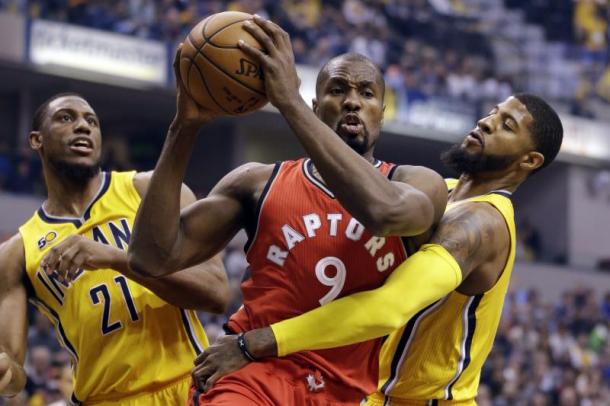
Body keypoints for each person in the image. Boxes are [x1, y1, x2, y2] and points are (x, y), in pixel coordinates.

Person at [128, 16, 448, 406]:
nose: (352, 101)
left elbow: (384, 213)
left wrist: (289, 102)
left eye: (366, 93)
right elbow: (149, 257)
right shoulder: (257, 182)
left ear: (381, 112)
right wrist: (184, 126)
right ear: (317, 106)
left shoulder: (419, 184)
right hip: (250, 372)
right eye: (337, 90)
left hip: (349, 391)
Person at [197, 90, 564, 405]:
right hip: (370, 394)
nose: (487, 122)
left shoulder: (482, 224)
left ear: (529, 161)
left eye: (507, 126)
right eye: (493, 113)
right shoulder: (438, 193)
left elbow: (387, 308)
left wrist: (254, 343)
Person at [0, 93, 230, 405]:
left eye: (91, 121)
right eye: (66, 118)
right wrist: (5, 372)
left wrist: (115, 258)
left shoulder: (148, 190)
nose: (83, 126)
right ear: (36, 140)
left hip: (186, 386)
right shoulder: (18, 251)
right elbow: (13, 373)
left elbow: (216, 293)